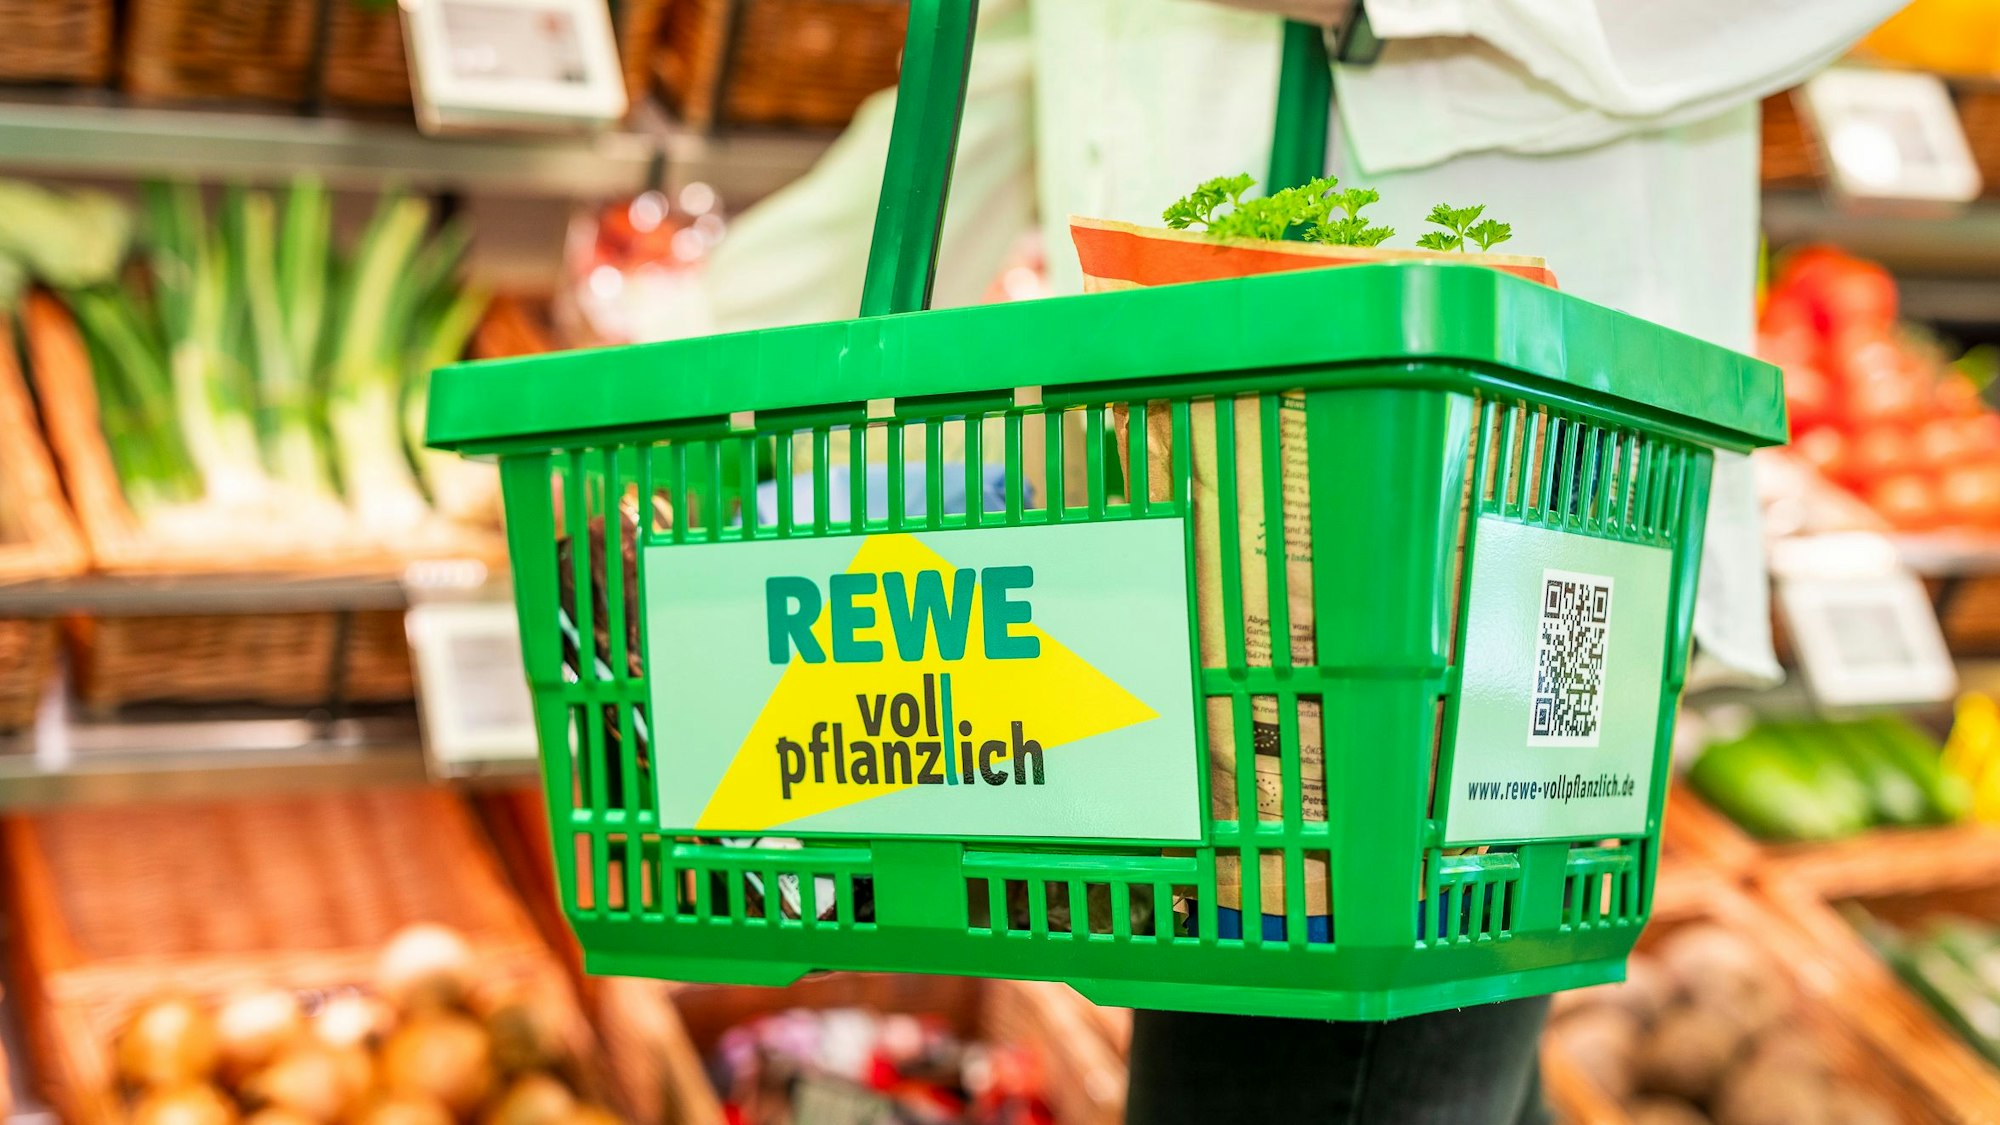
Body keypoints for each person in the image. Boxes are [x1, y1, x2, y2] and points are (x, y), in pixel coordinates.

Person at [698, 0, 1906, 1119]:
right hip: (1207, 524)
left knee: (1322, 1050)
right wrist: (699, 344)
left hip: (1473, 508)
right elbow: (1016, 56)